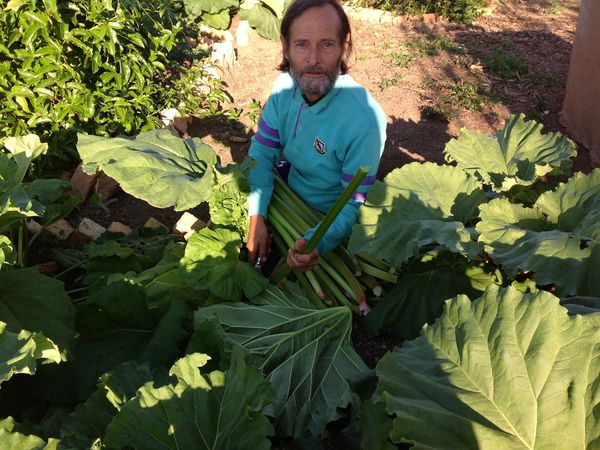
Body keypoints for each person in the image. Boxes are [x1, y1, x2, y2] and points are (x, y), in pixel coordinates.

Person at [246, 0, 387, 272]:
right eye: (301, 44)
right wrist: (257, 217)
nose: (313, 59)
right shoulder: (283, 89)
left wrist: (314, 244)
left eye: (326, 44)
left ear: (344, 46)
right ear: (285, 46)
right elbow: (262, 153)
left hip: (328, 215)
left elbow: (352, 202)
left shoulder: (364, 121)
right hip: (289, 187)